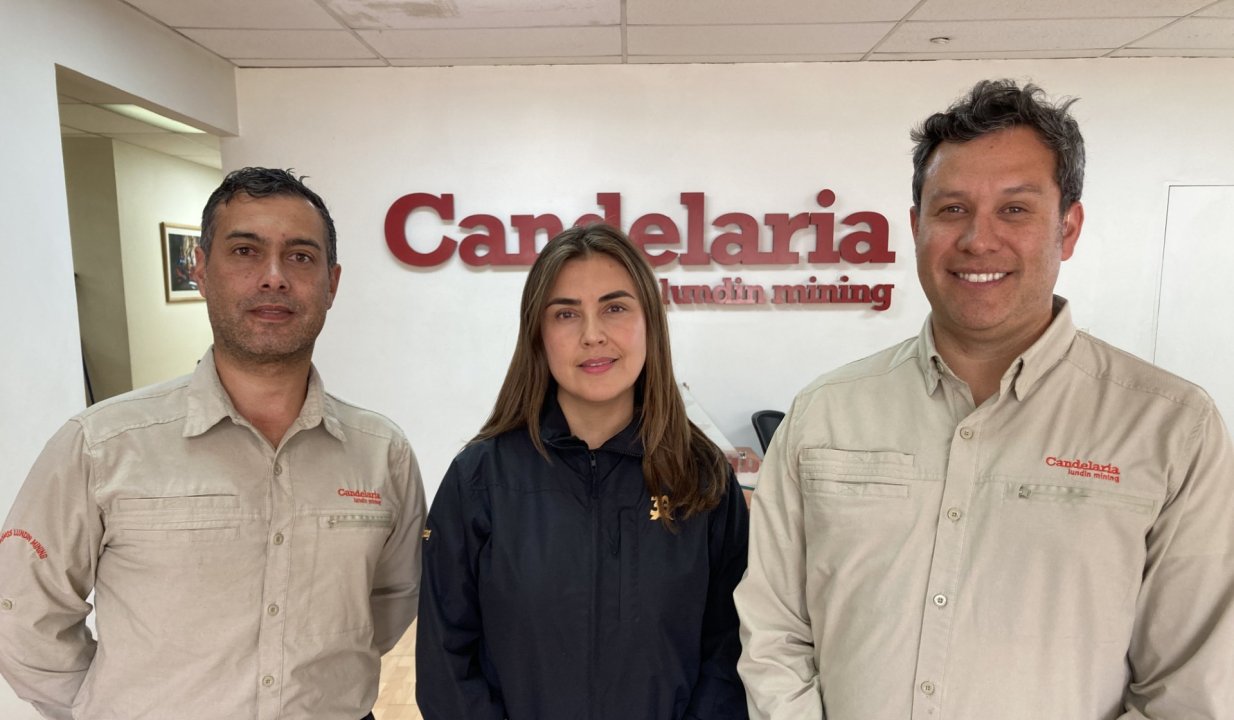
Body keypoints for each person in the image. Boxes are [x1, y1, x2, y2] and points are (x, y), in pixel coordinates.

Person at [735, 79, 1234, 719]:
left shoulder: (1171, 429)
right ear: (916, 227)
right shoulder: (825, 412)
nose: (978, 239)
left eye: (1015, 209)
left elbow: (1190, 688)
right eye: (952, 209)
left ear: (1068, 228)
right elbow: (774, 631)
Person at [0, 167, 425, 720]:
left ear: (332, 283)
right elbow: (22, 614)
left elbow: (390, 601)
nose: (274, 277)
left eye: (300, 256)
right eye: (246, 251)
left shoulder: (381, 453)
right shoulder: (102, 446)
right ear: (199, 269)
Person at [416, 223, 750, 720]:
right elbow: (446, 663)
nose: (593, 335)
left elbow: (730, 651)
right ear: (538, 334)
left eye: (615, 308)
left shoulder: (703, 480)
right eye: (566, 314)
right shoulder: (479, 480)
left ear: (650, 323)